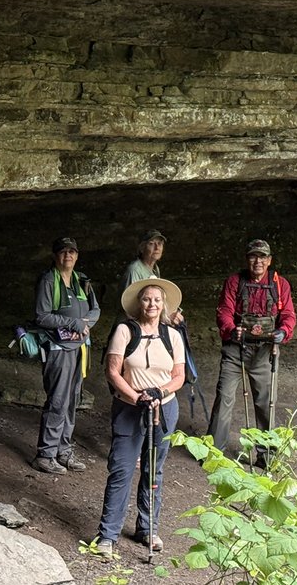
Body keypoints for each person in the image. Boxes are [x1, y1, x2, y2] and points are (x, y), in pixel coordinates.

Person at [93, 277, 186, 559]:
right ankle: (108, 534)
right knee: (121, 468)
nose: (152, 304)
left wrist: (160, 392)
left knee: (153, 469)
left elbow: (179, 376)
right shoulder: (124, 330)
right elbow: (112, 371)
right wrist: (136, 397)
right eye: (146, 299)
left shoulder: (173, 336)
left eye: (157, 300)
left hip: (163, 407)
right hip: (129, 406)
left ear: (164, 305)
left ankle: (147, 528)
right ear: (139, 303)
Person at [207, 239, 296, 461]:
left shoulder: (279, 284)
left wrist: (283, 332)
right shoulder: (234, 282)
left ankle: (266, 457)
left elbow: (288, 315)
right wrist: (231, 329)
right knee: (224, 398)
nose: (258, 261)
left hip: (265, 351)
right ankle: (213, 453)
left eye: (262, 257)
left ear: (269, 260)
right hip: (236, 349)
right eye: (253, 256)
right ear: (247, 259)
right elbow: (224, 312)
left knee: (266, 403)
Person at [33, 236, 100, 475]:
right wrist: (74, 323)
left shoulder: (82, 280)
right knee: (58, 400)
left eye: (72, 252)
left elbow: (96, 309)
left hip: (80, 348)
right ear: (55, 255)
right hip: (58, 349)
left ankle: (64, 450)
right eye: (63, 252)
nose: (68, 256)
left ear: (77, 256)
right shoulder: (48, 280)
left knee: (72, 400)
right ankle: (45, 454)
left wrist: (86, 323)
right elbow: (42, 316)